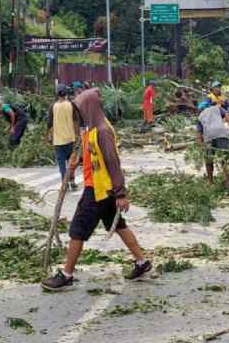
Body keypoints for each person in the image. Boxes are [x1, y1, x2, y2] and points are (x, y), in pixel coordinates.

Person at [41, 88, 152, 291]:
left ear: (89, 107)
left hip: (99, 190)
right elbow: (93, 156)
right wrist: (78, 161)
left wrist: (121, 194)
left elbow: (112, 162)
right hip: (101, 188)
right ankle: (141, 263)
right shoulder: (92, 129)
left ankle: (66, 274)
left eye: (80, 109)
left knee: (77, 229)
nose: (79, 114)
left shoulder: (103, 130)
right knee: (118, 226)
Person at [196, 97, 229, 187]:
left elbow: (199, 134)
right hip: (221, 133)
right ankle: (228, 181)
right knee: (225, 158)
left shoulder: (199, 116)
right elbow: (227, 115)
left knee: (209, 160)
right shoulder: (217, 108)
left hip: (208, 136)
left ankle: (210, 181)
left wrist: (201, 145)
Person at [46, 86, 79, 191]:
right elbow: (76, 122)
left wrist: (47, 136)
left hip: (58, 141)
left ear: (57, 94)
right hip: (70, 139)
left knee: (62, 165)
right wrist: (77, 135)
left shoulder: (53, 106)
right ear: (66, 94)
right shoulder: (71, 105)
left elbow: (49, 124)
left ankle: (65, 184)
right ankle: (72, 181)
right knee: (71, 162)